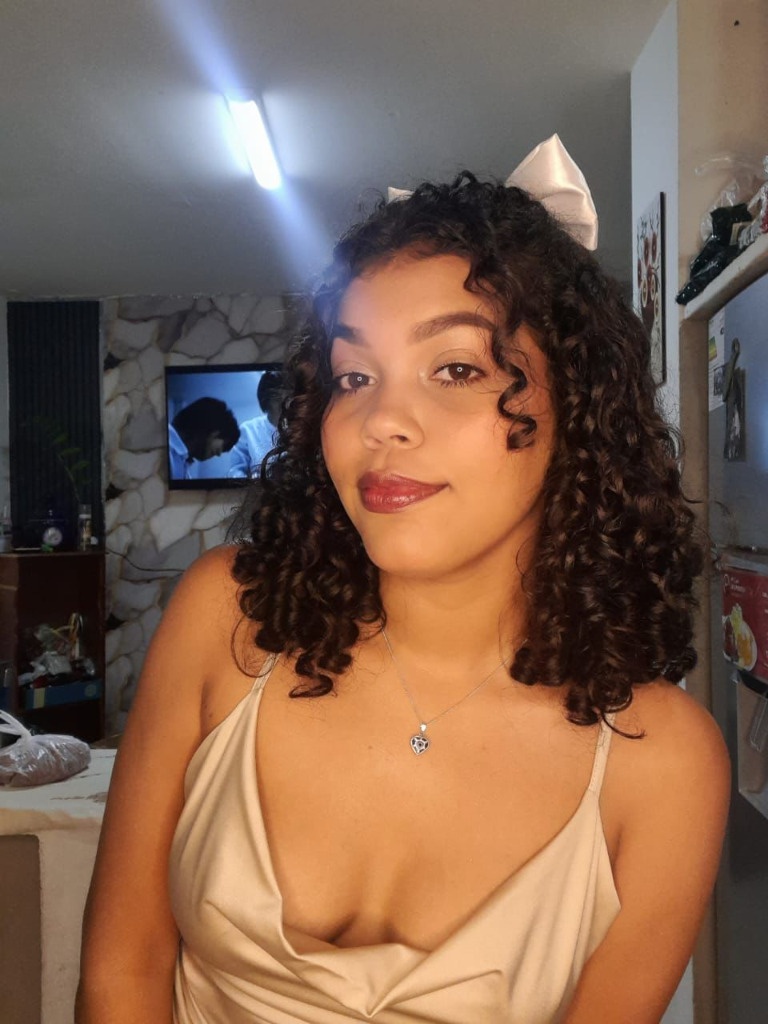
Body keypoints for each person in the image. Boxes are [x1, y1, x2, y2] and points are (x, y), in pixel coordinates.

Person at [77, 137, 730, 1024]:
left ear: (575, 407)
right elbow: (122, 971)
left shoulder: (665, 763)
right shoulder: (227, 616)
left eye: (456, 368)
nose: (381, 420)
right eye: (354, 375)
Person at [227, 370, 285, 479]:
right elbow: (235, 471)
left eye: (287, 396)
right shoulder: (248, 430)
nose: (283, 403)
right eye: (277, 397)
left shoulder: (300, 428)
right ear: (266, 400)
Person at [168, 396, 240, 480]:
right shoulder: (163, 449)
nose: (219, 454)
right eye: (224, 445)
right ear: (214, 432)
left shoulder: (183, 463)